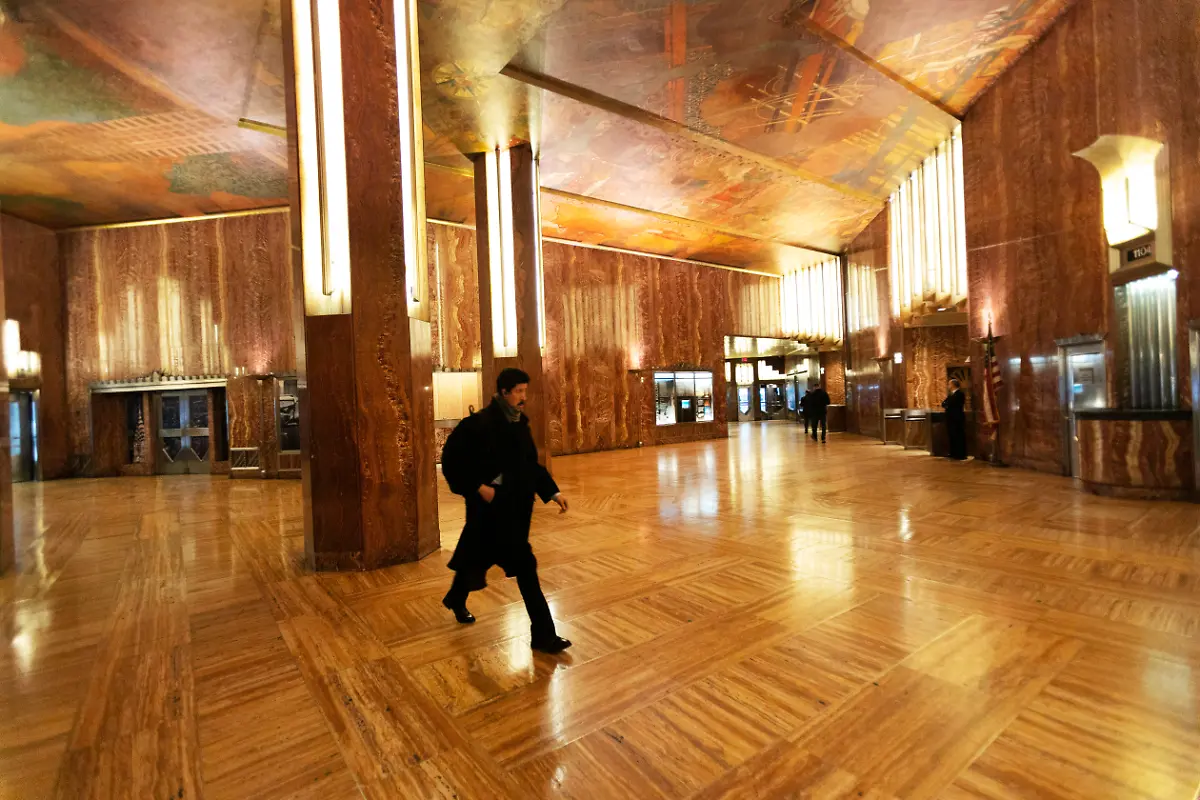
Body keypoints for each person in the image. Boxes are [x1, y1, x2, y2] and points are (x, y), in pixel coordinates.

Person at [440, 368, 573, 654]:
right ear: (504, 392)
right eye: (519, 391)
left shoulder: (518, 424)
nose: (524, 397)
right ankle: (542, 635)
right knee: (507, 565)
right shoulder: (478, 424)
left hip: (514, 513)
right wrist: (477, 486)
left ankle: (457, 598)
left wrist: (552, 491)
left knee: (491, 561)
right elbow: (451, 462)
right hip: (491, 514)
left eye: (525, 390)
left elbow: (530, 465)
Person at [942, 378, 967, 460]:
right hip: (950, 418)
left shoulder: (960, 394)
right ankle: (953, 452)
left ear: (953, 385)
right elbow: (944, 403)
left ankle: (960, 454)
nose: (948, 386)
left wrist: (948, 405)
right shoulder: (950, 394)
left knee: (958, 436)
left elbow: (954, 404)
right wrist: (947, 405)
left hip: (957, 418)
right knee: (952, 435)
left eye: (949, 384)